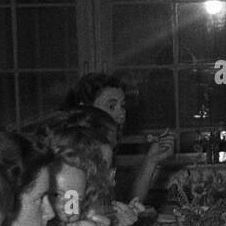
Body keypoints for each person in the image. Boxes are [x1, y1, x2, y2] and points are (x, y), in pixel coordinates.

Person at [65, 72, 175, 205]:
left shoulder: (105, 148)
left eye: (122, 106)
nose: (122, 114)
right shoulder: (73, 155)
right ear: (85, 108)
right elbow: (72, 215)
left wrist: (151, 160)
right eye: (111, 106)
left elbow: (129, 204)